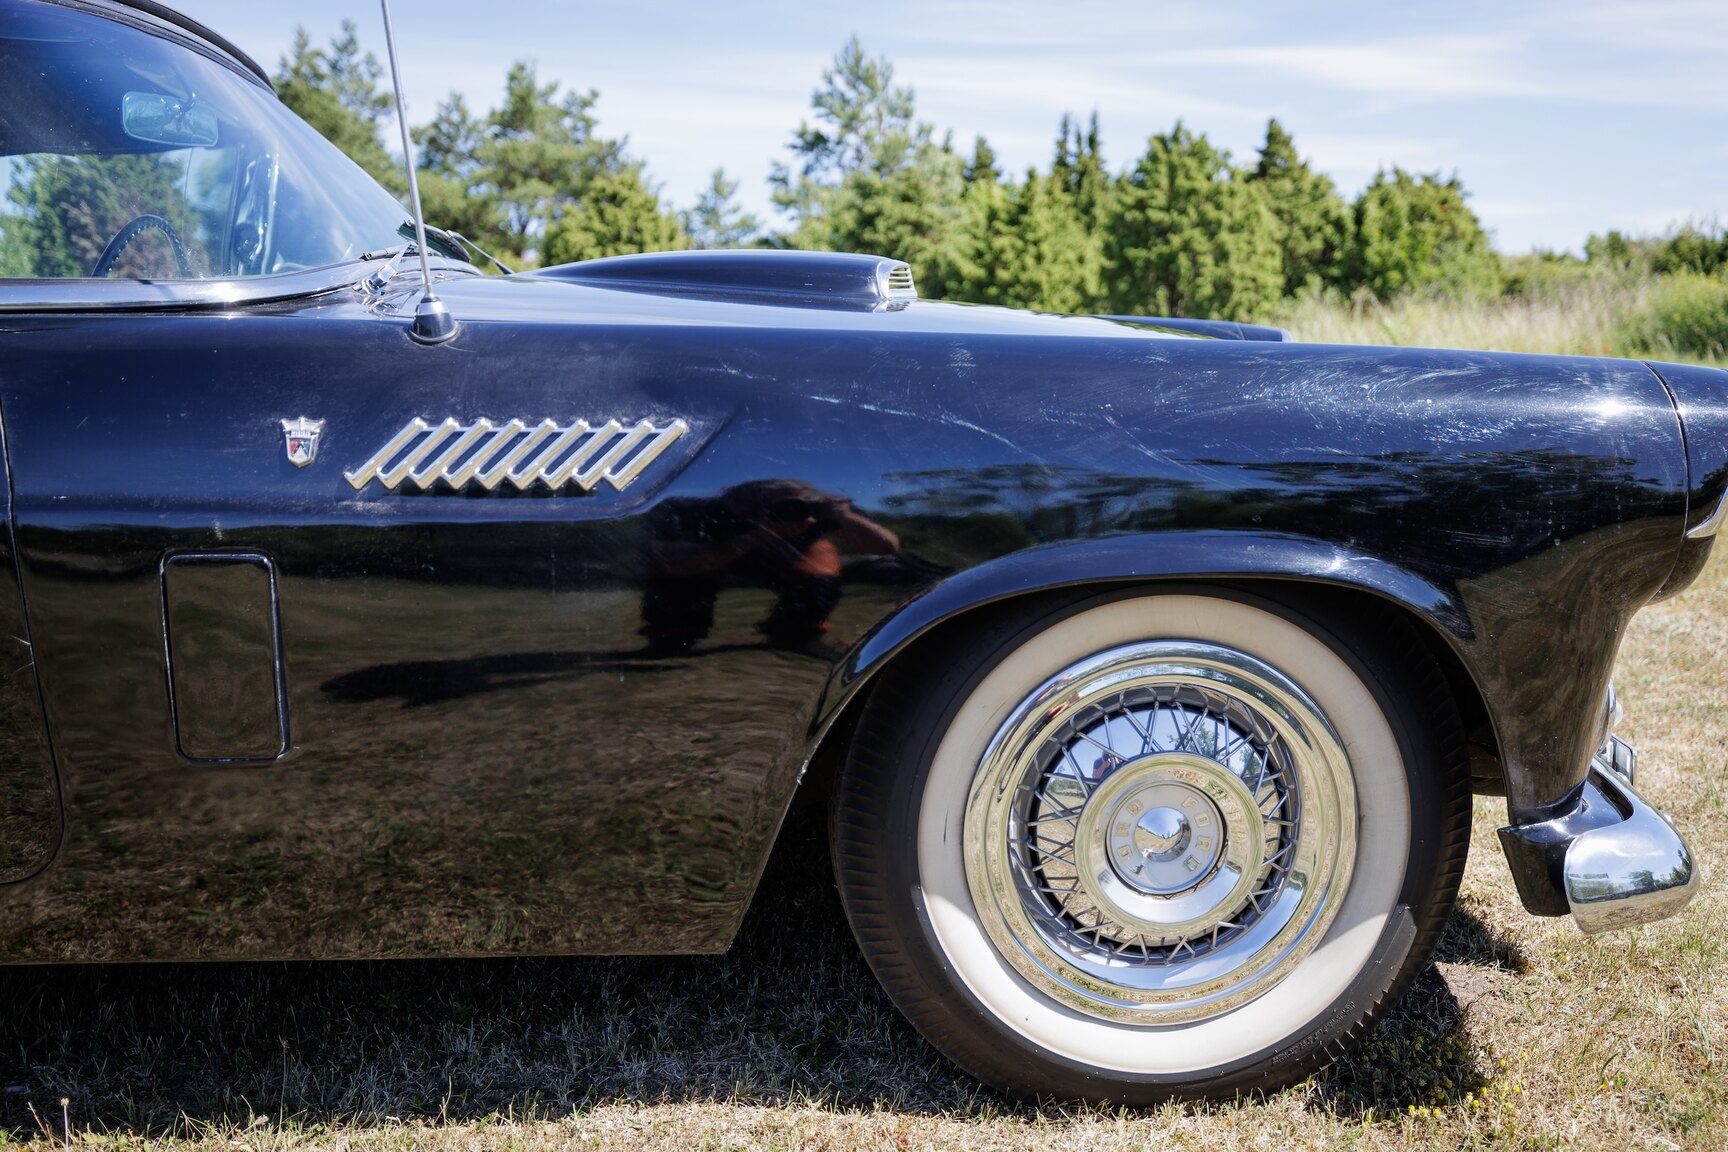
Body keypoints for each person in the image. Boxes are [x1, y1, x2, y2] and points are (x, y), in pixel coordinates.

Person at [638, 479, 900, 657]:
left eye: (794, 504)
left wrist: (844, 517)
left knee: (822, 556)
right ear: (744, 504)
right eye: (775, 505)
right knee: (681, 577)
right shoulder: (706, 512)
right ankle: (674, 633)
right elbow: (666, 560)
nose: (789, 511)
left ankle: (796, 630)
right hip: (719, 558)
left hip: (786, 564)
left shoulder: (814, 513)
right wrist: (760, 534)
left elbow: (887, 546)